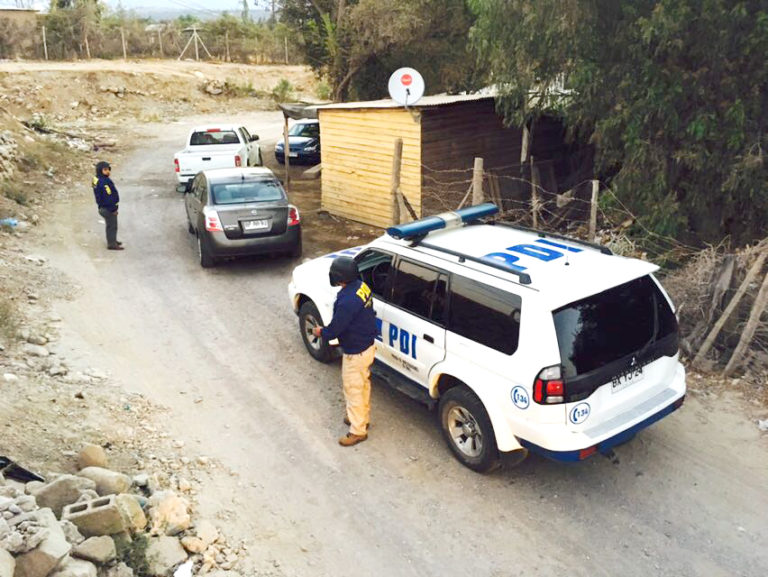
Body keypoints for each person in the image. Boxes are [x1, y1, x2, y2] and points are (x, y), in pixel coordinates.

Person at [313, 256, 378, 447]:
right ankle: (360, 417)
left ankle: (358, 431)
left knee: (353, 390)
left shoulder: (346, 301)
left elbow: (334, 329)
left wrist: (320, 332)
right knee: (363, 384)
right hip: (367, 345)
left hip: (355, 352)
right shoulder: (361, 286)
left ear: (339, 277)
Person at [92, 161, 123, 250]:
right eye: (105, 170)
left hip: (102, 207)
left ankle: (112, 240)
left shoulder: (96, 179)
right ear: (100, 171)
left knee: (110, 225)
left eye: (108, 169)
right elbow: (109, 196)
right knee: (112, 225)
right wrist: (114, 209)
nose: (108, 172)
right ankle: (112, 243)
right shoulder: (104, 183)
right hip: (108, 208)